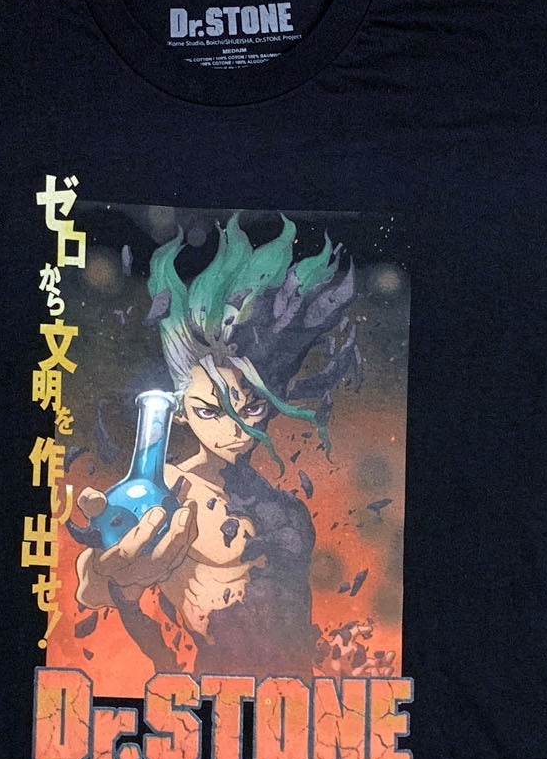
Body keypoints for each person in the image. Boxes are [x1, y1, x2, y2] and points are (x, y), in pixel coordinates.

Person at [72, 212, 359, 678]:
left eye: (251, 408)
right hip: (216, 691)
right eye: (211, 410)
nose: (236, 429)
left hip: (300, 693)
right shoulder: (164, 490)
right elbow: (99, 576)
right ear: (181, 410)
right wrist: (105, 577)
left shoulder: (275, 499)